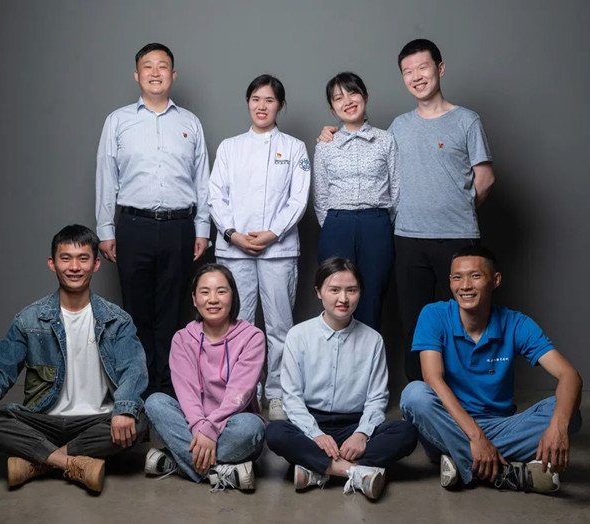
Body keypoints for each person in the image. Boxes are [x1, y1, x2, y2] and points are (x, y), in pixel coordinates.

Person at [318, 40, 495, 381]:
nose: (417, 76)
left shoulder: (466, 120)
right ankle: (419, 395)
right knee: (414, 320)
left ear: (440, 69)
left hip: (457, 235)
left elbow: (484, 179)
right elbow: (368, 165)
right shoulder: (398, 127)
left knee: (465, 315)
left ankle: (468, 393)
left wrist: (456, 207)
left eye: (423, 67)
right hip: (408, 237)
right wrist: (331, 134)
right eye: (408, 71)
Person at [0, 225, 148, 493]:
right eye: (66, 258)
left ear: (96, 264)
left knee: (139, 419)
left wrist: (123, 410)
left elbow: (134, 370)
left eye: (83, 258)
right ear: (52, 263)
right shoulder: (29, 319)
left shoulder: (117, 320)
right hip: (44, 420)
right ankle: (70, 462)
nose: (74, 267)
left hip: (96, 420)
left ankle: (38, 461)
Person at [399, 246, 582, 493]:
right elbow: (432, 378)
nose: (465, 286)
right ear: (450, 282)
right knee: (414, 395)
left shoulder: (516, 323)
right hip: (447, 422)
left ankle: (461, 461)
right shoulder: (434, 315)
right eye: (457, 277)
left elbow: (570, 375)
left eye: (475, 276)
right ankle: (505, 474)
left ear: (495, 280)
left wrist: (558, 427)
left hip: (498, 425)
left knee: (568, 412)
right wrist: (476, 437)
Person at [95, 42, 211, 398]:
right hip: (134, 226)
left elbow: (202, 180)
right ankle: (138, 389)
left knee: (173, 311)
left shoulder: (190, 122)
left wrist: (202, 228)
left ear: (173, 75)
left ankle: (166, 390)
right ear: (137, 75)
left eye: (163, 66)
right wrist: (105, 229)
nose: (155, 72)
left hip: (180, 228)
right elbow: (106, 176)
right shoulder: (118, 121)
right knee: (136, 311)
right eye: (148, 66)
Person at [265, 257, 418, 501]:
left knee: (406, 432)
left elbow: (377, 398)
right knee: (275, 432)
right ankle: (354, 472)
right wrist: (315, 434)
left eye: (351, 290)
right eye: (334, 290)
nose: (343, 299)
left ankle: (317, 468)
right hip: (311, 422)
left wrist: (361, 434)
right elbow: (292, 398)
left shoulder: (373, 340)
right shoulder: (298, 335)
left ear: (360, 293)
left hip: (353, 425)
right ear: (319, 292)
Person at [208, 74, 310, 421]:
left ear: (280, 105)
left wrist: (272, 233)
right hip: (235, 249)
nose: (261, 106)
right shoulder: (230, 147)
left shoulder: (294, 148)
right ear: (248, 103)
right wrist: (232, 234)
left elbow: (298, 199)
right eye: (255, 99)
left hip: (278, 250)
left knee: (280, 326)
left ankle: (278, 393)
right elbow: (216, 196)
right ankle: (242, 392)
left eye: (269, 100)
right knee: (237, 324)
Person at [144, 263, 266, 492]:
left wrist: (211, 430)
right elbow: (187, 394)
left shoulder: (252, 337)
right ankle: (220, 472)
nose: (213, 299)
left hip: (232, 426)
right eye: (205, 292)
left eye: (221, 291)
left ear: (233, 296)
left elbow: (239, 394)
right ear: (194, 299)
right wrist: (201, 429)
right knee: (155, 402)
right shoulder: (182, 339)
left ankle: (179, 462)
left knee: (252, 427)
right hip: (193, 425)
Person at [312, 72, 399, 332]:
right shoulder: (325, 145)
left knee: (372, 296)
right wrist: (335, 224)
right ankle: (336, 356)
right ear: (332, 108)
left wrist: (381, 222)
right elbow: (320, 195)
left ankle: (369, 358)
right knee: (336, 297)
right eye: (338, 98)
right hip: (337, 224)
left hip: (376, 225)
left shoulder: (386, 139)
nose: (347, 101)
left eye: (353, 93)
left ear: (365, 97)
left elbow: (396, 188)